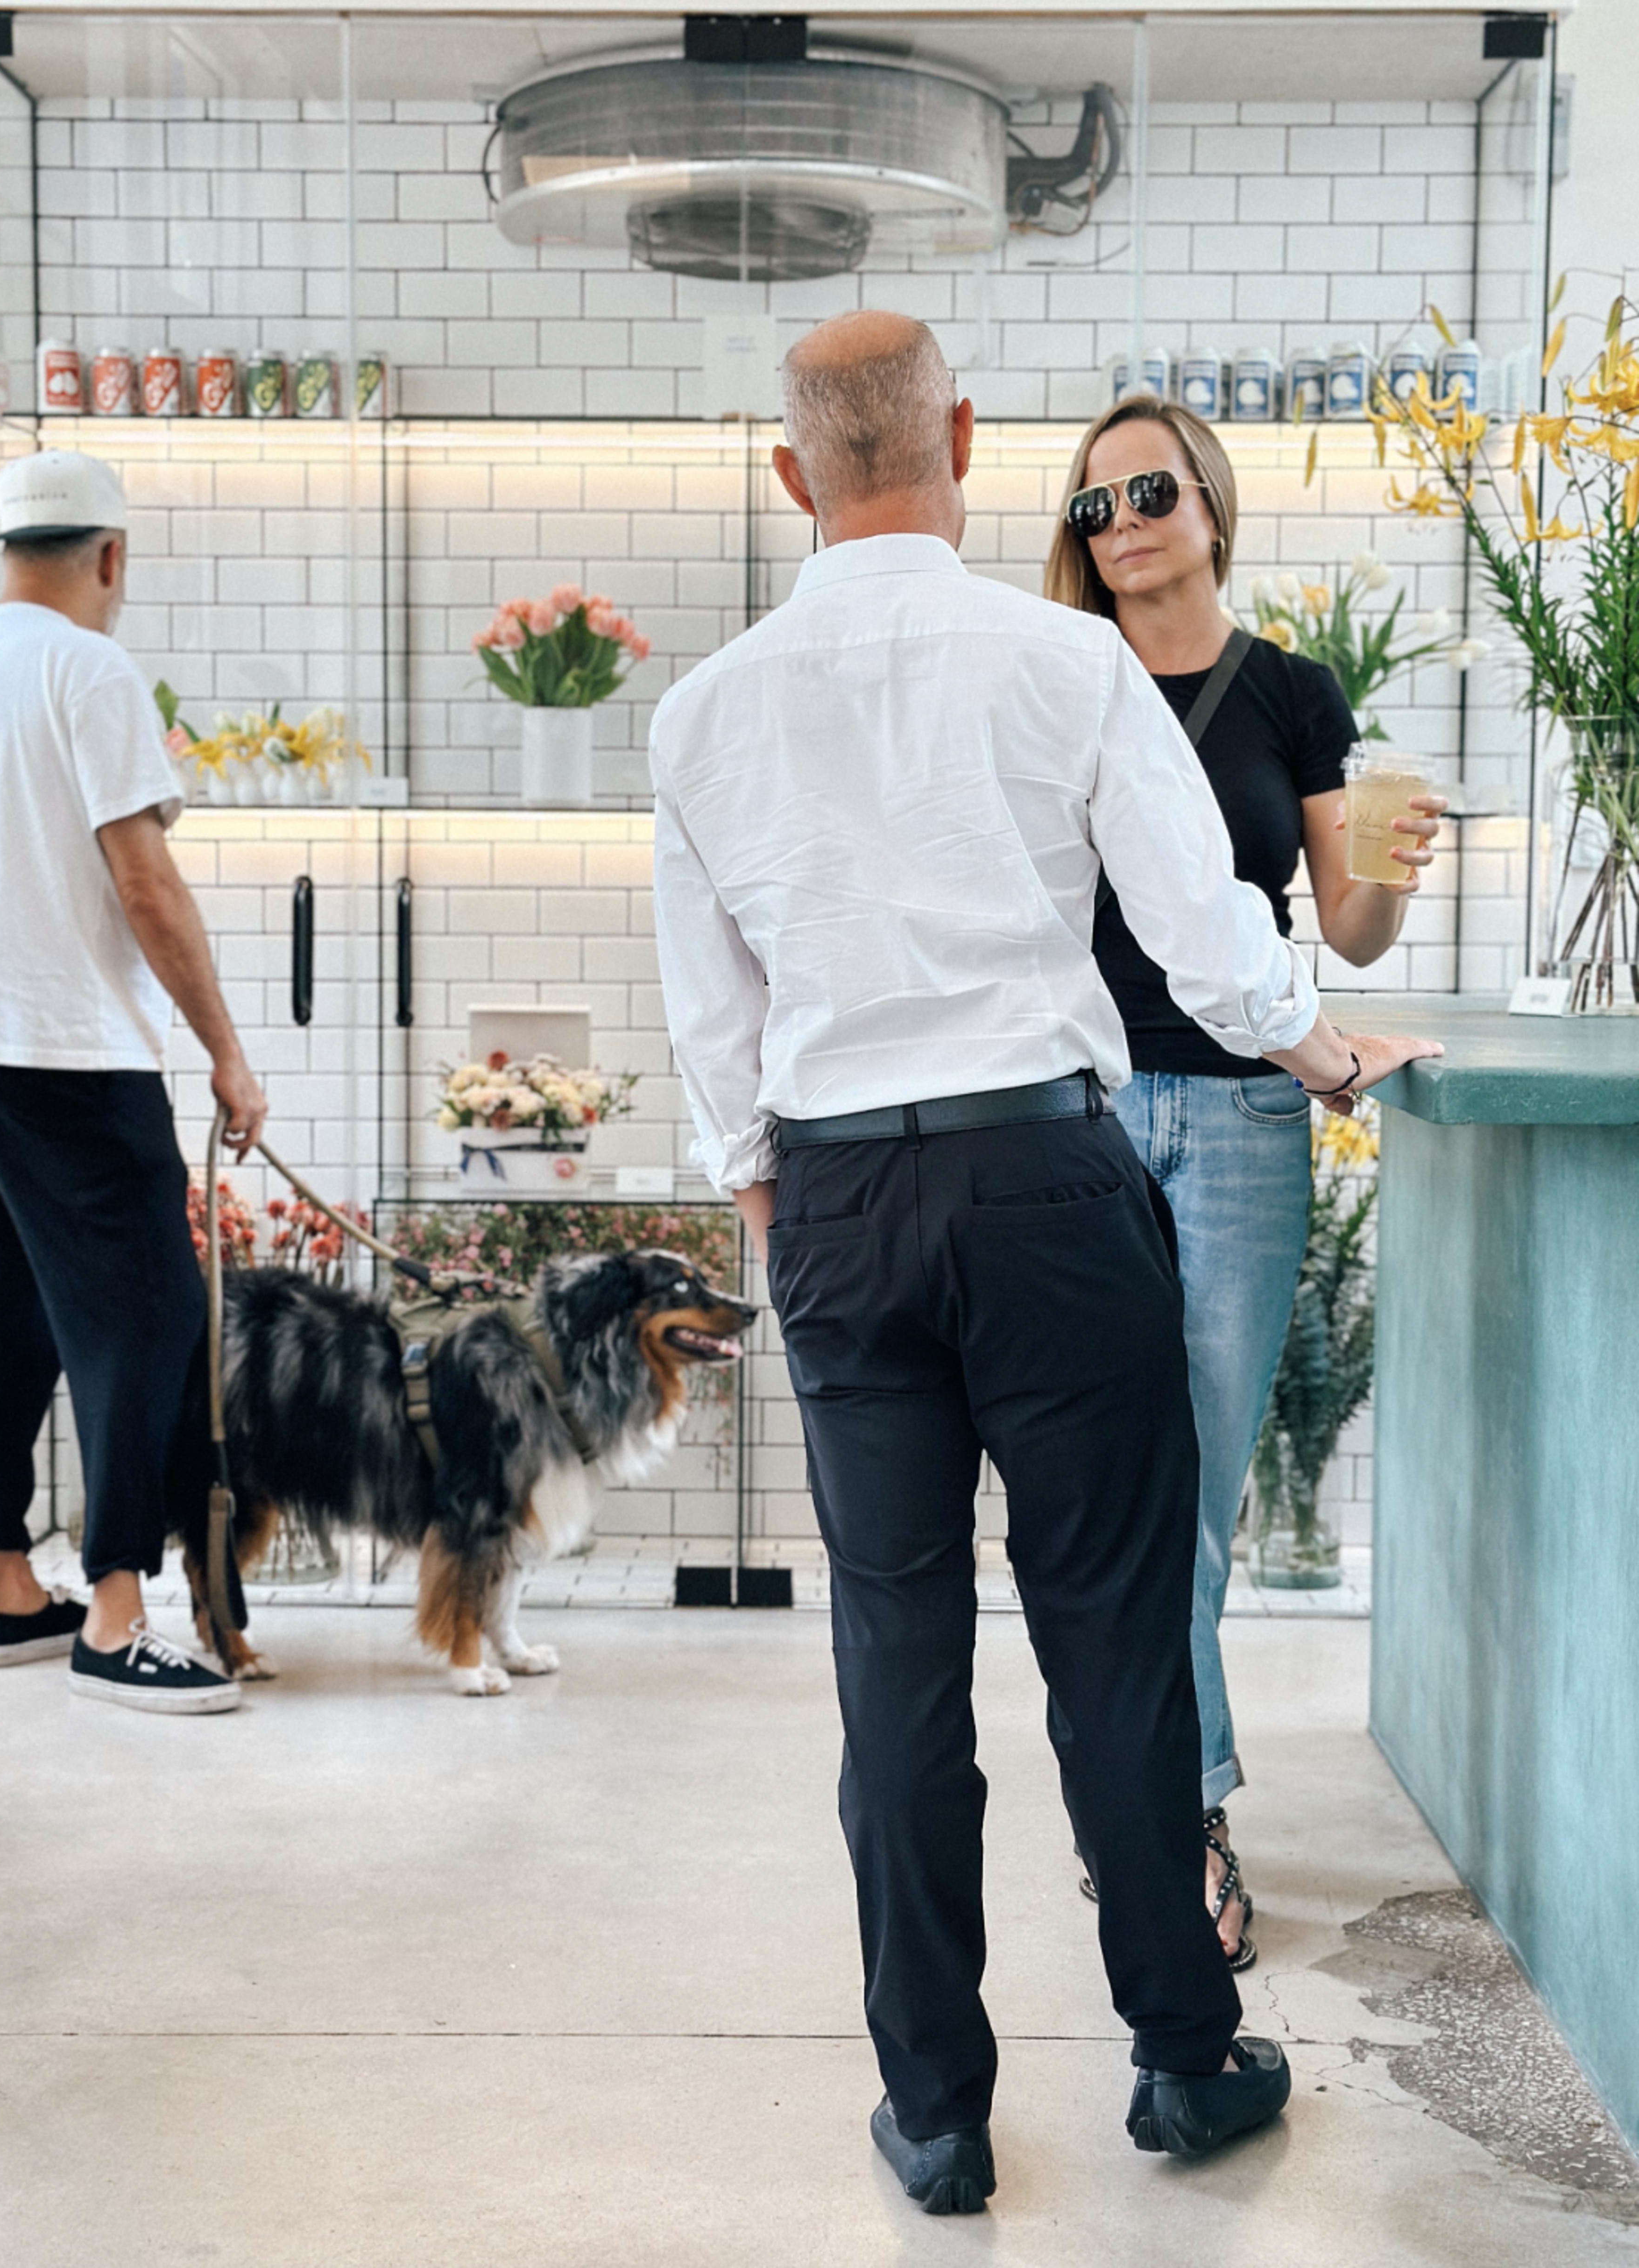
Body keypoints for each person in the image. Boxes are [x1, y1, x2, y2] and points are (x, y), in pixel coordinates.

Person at [648, 311, 1442, 2212]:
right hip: (1051, 1187)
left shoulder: (701, 713)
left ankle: (934, 2115)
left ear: (791, 480)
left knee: (894, 1667)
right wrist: (1315, 1040)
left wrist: (783, 1207)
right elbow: (1207, 946)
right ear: (970, 443)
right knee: (1111, 1635)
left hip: (841, 1205)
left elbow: (714, 1029)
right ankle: (1182, 2057)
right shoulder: (1065, 664)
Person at [1045, 397, 1447, 1967]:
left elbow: (1345, 931)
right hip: (1073, 1118)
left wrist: (1398, 872)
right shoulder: (1062, 680)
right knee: (1108, 1500)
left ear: (1208, 497)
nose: (1124, 520)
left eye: (1149, 489)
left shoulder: (1290, 692)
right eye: (1095, 506)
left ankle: (1170, 1812)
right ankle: (1162, 1810)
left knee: (1198, 1496)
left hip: (1238, 1120)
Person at [0, 448, 266, 1716]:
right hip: (70, 1045)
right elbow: (145, 882)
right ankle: (115, 1610)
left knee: (7, 1303)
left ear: (9, 552)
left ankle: (5, 1590)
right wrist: (225, 1047)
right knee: (145, 1310)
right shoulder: (91, 671)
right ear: (110, 556)